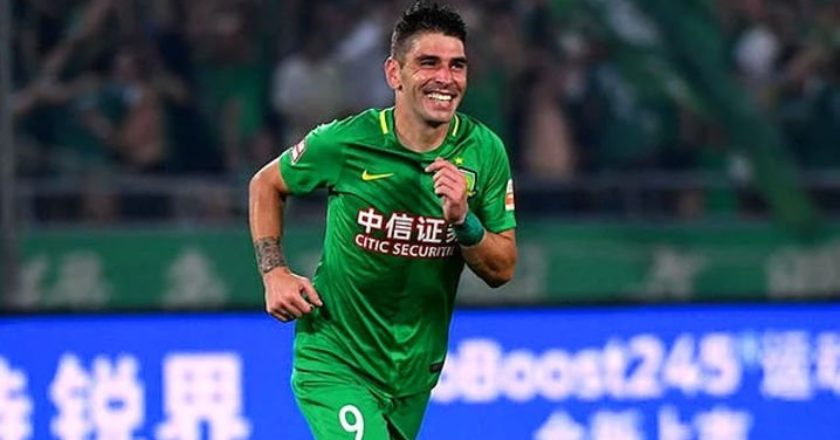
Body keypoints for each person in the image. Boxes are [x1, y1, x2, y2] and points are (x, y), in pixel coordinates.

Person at [248, 2, 517, 439]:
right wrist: (274, 272)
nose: (445, 78)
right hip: (336, 359)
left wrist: (464, 221)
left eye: (457, 65)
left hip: (413, 373)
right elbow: (266, 184)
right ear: (394, 73)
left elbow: (502, 269)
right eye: (428, 63)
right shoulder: (348, 142)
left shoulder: (484, 152)